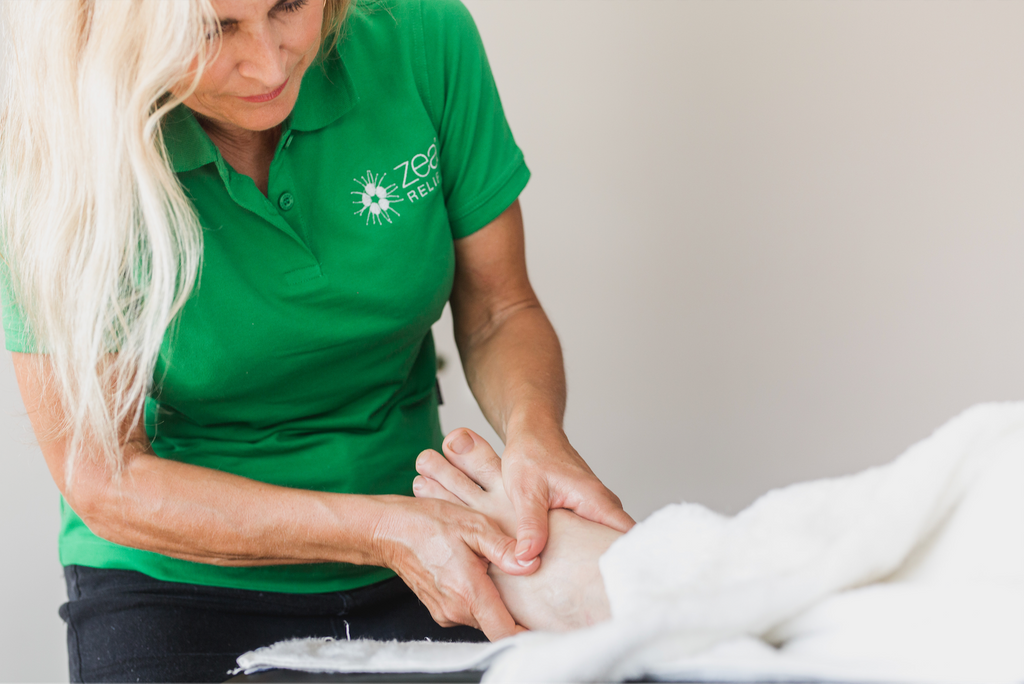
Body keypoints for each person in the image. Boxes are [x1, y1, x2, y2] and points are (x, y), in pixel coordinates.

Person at [0, 0, 634, 681]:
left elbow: (499, 309)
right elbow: (103, 477)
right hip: (176, 578)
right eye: (215, 31)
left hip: (432, 540)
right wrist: (380, 531)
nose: (269, 62)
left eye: (289, 6)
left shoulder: (420, 36)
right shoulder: (53, 145)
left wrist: (537, 437)